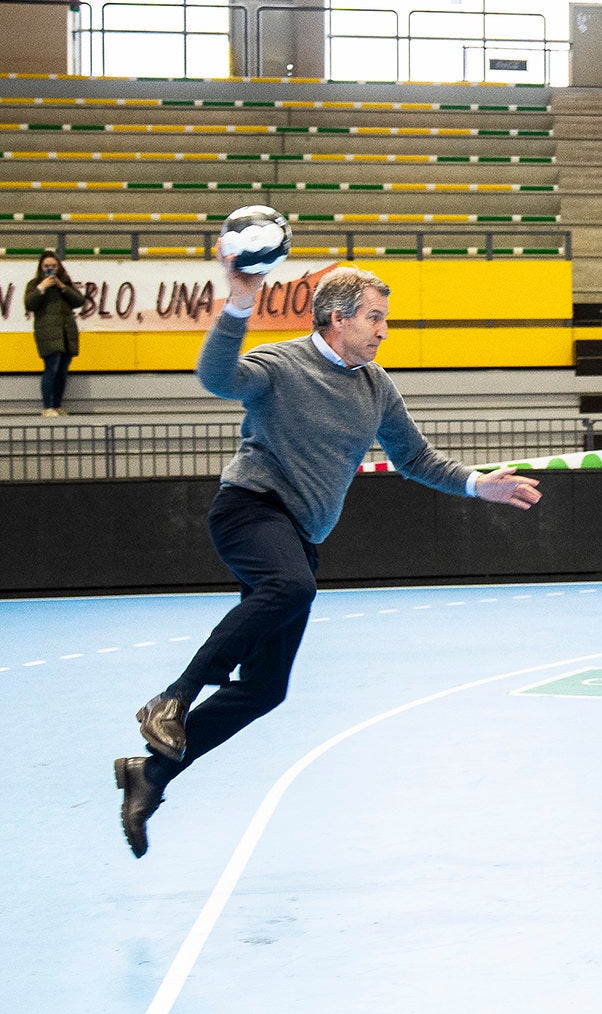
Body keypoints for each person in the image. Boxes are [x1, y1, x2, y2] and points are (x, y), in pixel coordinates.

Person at [115, 256, 543, 857]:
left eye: (384, 319)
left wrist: (480, 484)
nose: (383, 330)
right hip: (250, 510)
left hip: (298, 537)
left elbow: (416, 459)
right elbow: (217, 378)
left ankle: (150, 775)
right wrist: (239, 303)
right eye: (374, 318)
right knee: (291, 588)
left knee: (265, 689)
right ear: (336, 317)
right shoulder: (280, 365)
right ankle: (173, 700)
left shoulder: (375, 386)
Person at [24, 249, 84, 416]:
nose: (50, 269)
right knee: (51, 368)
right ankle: (48, 406)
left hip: (65, 333)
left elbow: (79, 300)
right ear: (41, 267)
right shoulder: (34, 284)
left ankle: (57, 405)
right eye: (46, 266)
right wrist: (42, 287)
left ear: (59, 267)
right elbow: (29, 304)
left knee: (62, 370)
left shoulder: (64, 283)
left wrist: (62, 286)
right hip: (48, 333)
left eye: (53, 266)